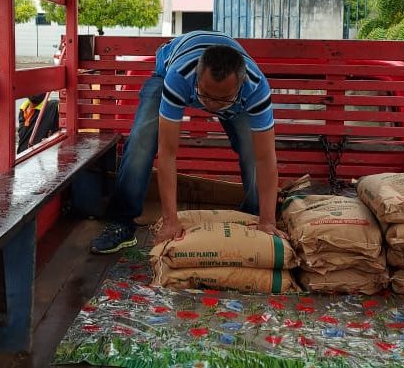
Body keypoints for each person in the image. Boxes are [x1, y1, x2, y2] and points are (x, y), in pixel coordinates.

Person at [90, 31, 286, 254]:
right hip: (170, 68)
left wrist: (268, 220)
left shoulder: (256, 87)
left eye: (222, 99)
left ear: (240, 86)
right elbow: (168, 152)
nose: (211, 106)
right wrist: (170, 221)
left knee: (252, 150)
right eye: (207, 95)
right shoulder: (180, 76)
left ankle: (254, 214)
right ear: (197, 78)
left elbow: (265, 157)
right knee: (141, 142)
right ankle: (122, 222)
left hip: (228, 97)